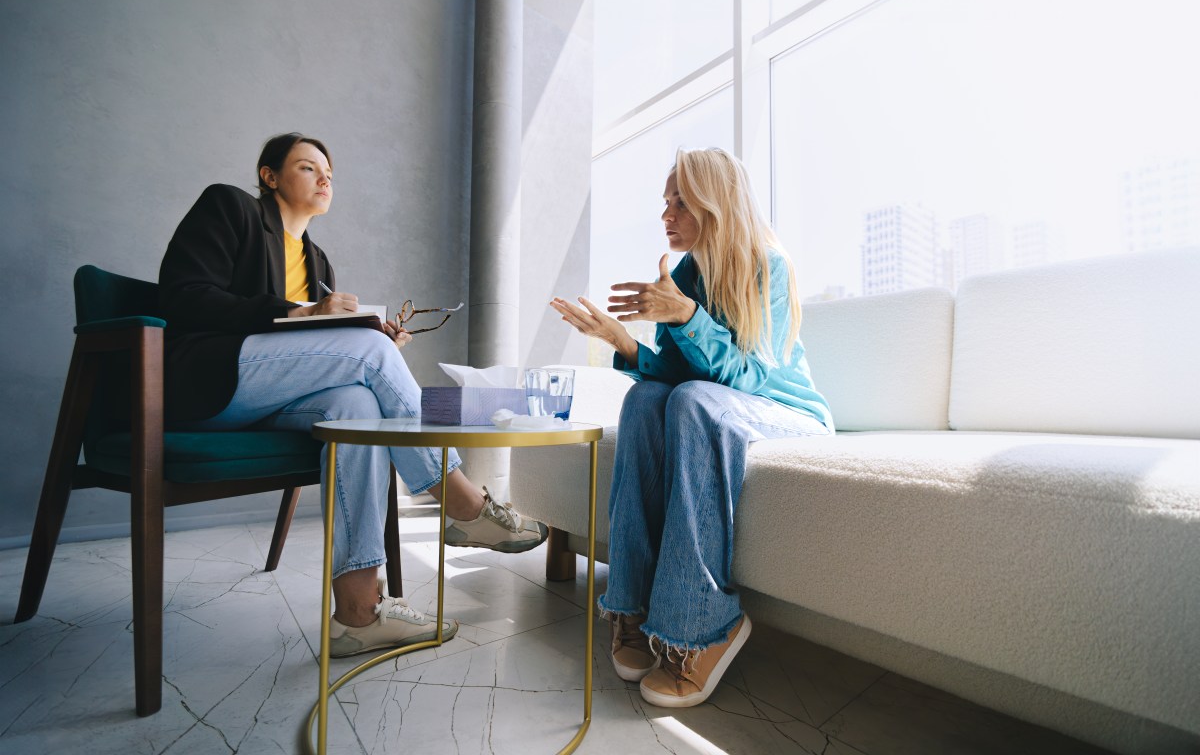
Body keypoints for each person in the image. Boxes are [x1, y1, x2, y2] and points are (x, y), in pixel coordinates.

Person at [158, 132, 548, 658]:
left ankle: (359, 613)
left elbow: (311, 353)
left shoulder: (318, 264)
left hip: (276, 398)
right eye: (306, 168)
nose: (324, 179)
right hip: (210, 385)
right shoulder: (230, 208)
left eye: (329, 174)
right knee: (366, 352)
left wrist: (364, 333)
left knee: (357, 410)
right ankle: (462, 502)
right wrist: (301, 314)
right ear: (270, 176)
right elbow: (183, 299)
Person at [550, 147, 833, 708]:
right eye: (666, 202)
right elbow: (676, 376)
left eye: (681, 201)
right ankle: (629, 605)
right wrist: (623, 342)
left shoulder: (768, 267)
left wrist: (685, 316)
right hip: (717, 405)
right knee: (646, 400)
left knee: (692, 403)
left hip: (786, 413)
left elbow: (751, 378)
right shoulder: (686, 273)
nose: (667, 214)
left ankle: (706, 625)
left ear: (715, 203)